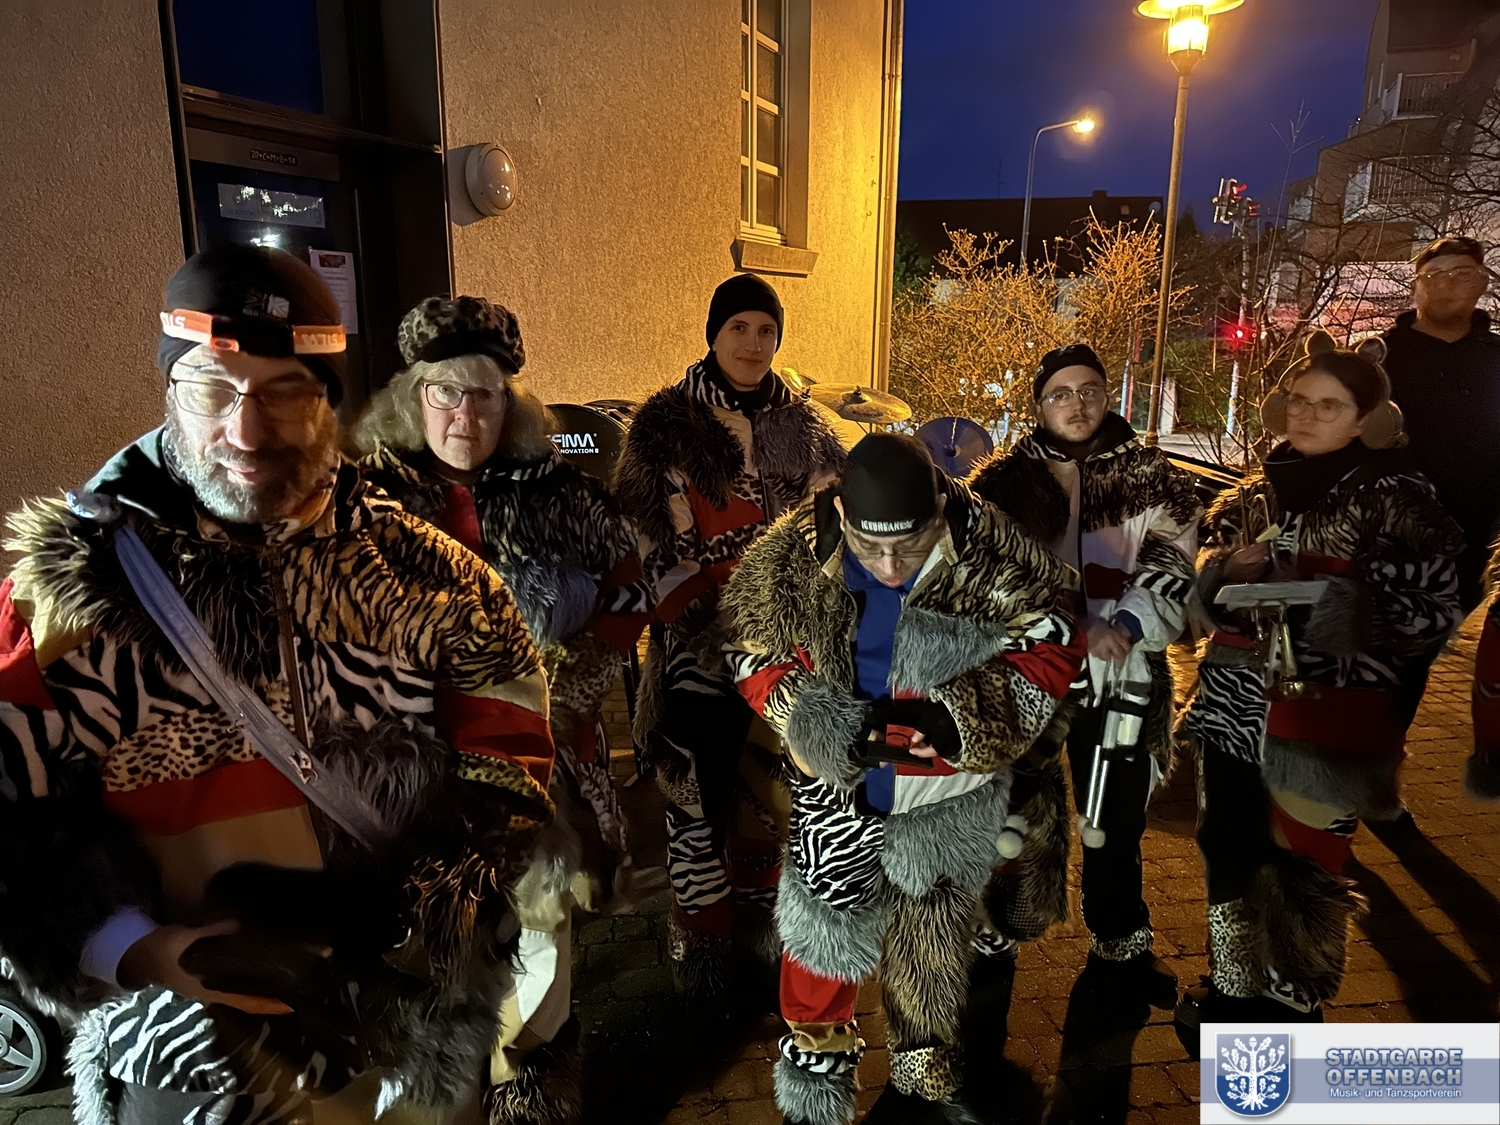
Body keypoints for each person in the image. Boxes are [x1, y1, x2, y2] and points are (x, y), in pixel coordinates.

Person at [0, 245, 554, 1124]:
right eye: (213, 389)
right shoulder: (62, 599)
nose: (247, 432)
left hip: (407, 1040)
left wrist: (422, 909)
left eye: (286, 392)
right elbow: (12, 817)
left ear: (327, 399)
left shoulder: (434, 576)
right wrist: (139, 949)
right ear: (168, 387)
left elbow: (510, 759)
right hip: (195, 1058)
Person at [351, 294, 655, 1123]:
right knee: (434, 951)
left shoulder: (560, 492)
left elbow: (629, 588)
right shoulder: (363, 502)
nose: (465, 413)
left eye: (483, 393)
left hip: (541, 764)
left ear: (509, 402)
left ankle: (530, 1090)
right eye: (445, 391)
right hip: (417, 776)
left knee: (540, 944)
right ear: (413, 397)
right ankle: (444, 1092)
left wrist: (575, 679)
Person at [725, 434, 1084, 1125]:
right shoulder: (794, 553)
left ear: (940, 510)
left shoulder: (994, 549)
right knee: (823, 936)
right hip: (842, 787)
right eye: (870, 547)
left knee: (933, 938)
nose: (890, 565)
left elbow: (1056, 642)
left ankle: (924, 1074)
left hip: (947, 794)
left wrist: (963, 717)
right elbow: (749, 647)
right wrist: (805, 716)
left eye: (910, 545)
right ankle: (814, 1084)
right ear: (841, 513)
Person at [1175, 331, 1463, 1050]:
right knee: (1226, 842)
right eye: (1300, 400)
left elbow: (1431, 611)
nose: (1306, 415)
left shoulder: (1399, 497)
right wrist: (1222, 576)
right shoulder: (1254, 493)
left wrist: (1326, 602)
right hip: (1234, 704)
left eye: (1329, 406)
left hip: (1325, 715)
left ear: (1369, 419)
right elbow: (1197, 600)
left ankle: (1291, 1005)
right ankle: (1233, 981)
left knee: (1303, 859)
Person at [613, 274, 847, 1002]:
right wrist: (710, 620)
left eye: (766, 330)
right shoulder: (666, 425)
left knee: (779, 783)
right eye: (739, 327)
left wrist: (816, 611)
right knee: (695, 787)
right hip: (701, 641)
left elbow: (838, 528)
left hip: (791, 643)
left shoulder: (808, 430)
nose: (753, 343)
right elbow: (651, 538)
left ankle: (763, 919)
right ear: (714, 334)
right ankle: (700, 931)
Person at [969, 343, 1200, 1007]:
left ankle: (1119, 941)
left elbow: (1172, 558)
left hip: (1121, 675)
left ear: (1108, 395)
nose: (1078, 403)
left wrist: (1126, 622)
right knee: (1012, 810)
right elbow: (985, 571)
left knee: (1115, 818)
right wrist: (1063, 627)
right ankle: (997, 932)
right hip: (1027, 674)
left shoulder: (1152, 477)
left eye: (1089, 389)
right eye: (1061, 393)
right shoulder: (1004, 484)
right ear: (1040, 405)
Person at [1382, 236, 1500, 614]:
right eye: (1432, 275)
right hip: (1391, 542)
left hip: (1481, 542)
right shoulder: (1379, 360)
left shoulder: (1495, 358)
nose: (1445, 283)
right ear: (1416, 287)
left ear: (1482, 282)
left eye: (1461, 273)